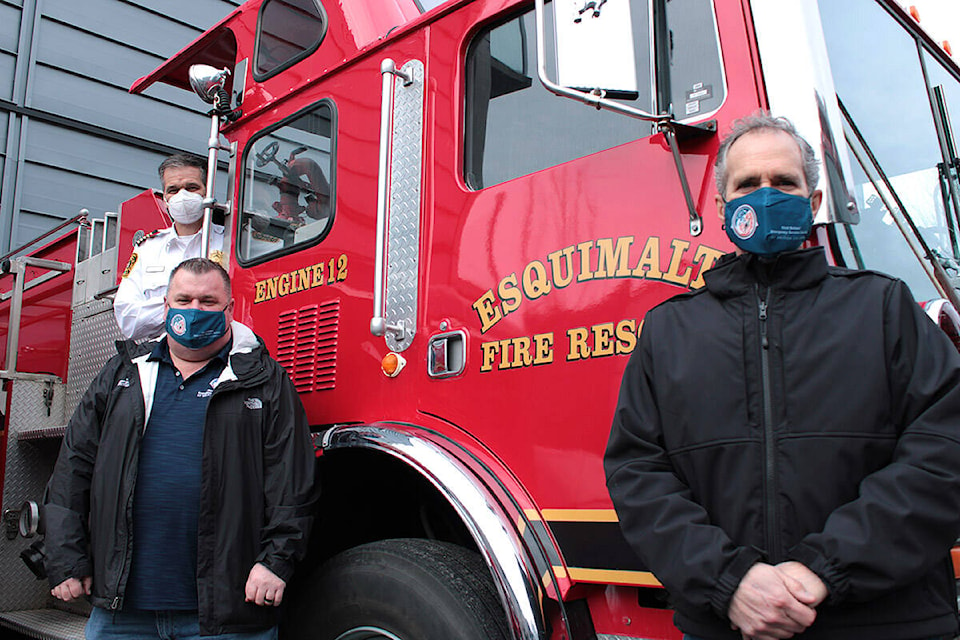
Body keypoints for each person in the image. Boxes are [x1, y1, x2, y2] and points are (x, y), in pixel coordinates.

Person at [604, 113, 960, 640]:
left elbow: (945, 450)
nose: (766, 196)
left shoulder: (883, 307)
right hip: (728, 626)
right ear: (724, 207)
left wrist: (824, 569)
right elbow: (638, 474)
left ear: (813, 203)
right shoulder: (669, 331)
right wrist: (731, 583)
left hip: (890, 624)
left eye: (784, 183)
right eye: (748, 184)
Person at [44, 258, 316, 639]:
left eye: (207, 302)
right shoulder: (123, 374)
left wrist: (275, 563)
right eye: (183, 300)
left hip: (226, 616)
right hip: (123, 614)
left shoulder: (264, 381)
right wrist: (65, 558)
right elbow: (73, 469)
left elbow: (292, 483)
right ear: (166, 307)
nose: (194, 311)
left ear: (230, 309)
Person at [115, 153, 226, 341]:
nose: (182, 196)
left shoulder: (231, 242)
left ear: (207, 192)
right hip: (162, 356)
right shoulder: (147, 249)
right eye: (173, 190)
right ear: (165, 197)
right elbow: (128, 321)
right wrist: (193, 304)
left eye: (192, 188)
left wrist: (171, 306)